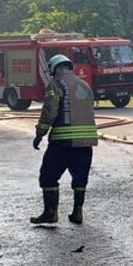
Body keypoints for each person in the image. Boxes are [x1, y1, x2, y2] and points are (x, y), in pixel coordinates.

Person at [31, 54, 97, 225]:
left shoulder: (56, 84)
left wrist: (40, 134)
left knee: (48, 176)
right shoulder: (84, 85)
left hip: (62, 142)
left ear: (55, 69)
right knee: (80, 177)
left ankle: (50, 213)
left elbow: (50, 111)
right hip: (86, 143)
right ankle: (78, 212)